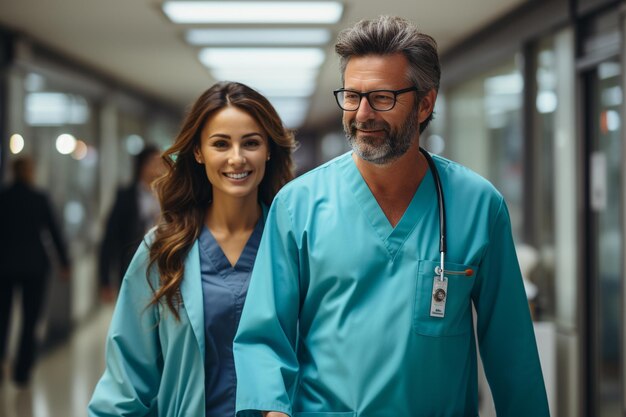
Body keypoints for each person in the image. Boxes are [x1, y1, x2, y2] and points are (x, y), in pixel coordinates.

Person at [234, 16, 551, 417]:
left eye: (382, 97)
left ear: (425, 103)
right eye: (352, 96)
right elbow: (264, 336)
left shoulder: (478, 205)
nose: (363, 113)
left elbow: (512, 352)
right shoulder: (297, 206)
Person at [88, 81, 295, 416]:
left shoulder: (295, 244)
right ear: (198, 152)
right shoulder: (162, 251)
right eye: (221, 144)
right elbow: (126, 381)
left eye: (251, 143)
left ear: (269, 149)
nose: (237, 158)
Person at [0, 156, 71, 386]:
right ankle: (22, 372)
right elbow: (53, 232)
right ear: (29, 172)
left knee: (2, 318)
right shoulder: (39, 198)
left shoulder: (4, 198)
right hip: (34, 268)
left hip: (5, 266)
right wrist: (64, 262)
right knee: (30, 321)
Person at [98, 144, 165, 301]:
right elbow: (110, 238)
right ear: (142, 166)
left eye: (161, 162)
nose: (159, 167)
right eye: (154, 162)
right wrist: (105, 280)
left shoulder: (170, 194)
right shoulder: (126, 197)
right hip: (133, 267)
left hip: (164, 269)